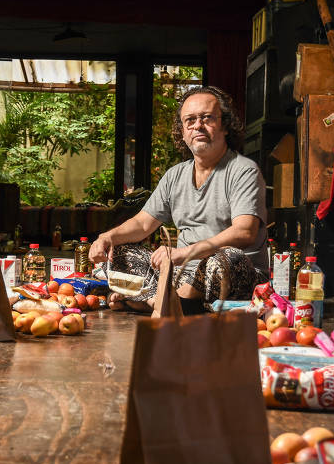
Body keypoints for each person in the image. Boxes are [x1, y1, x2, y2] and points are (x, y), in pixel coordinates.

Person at [89, 86, 267, 314]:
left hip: (230, 276)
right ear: (182, 132)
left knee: (227, 259)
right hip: (179, 273)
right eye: (190, 120)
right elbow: (143, 224)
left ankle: (154, 300)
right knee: (117, 252)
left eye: (207, 118)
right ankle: (165, 301)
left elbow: (244, 233)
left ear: (225, 126)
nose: (198, 126)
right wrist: (106, 237)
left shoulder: (243, 171)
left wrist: (183, 253)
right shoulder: (175, 175)